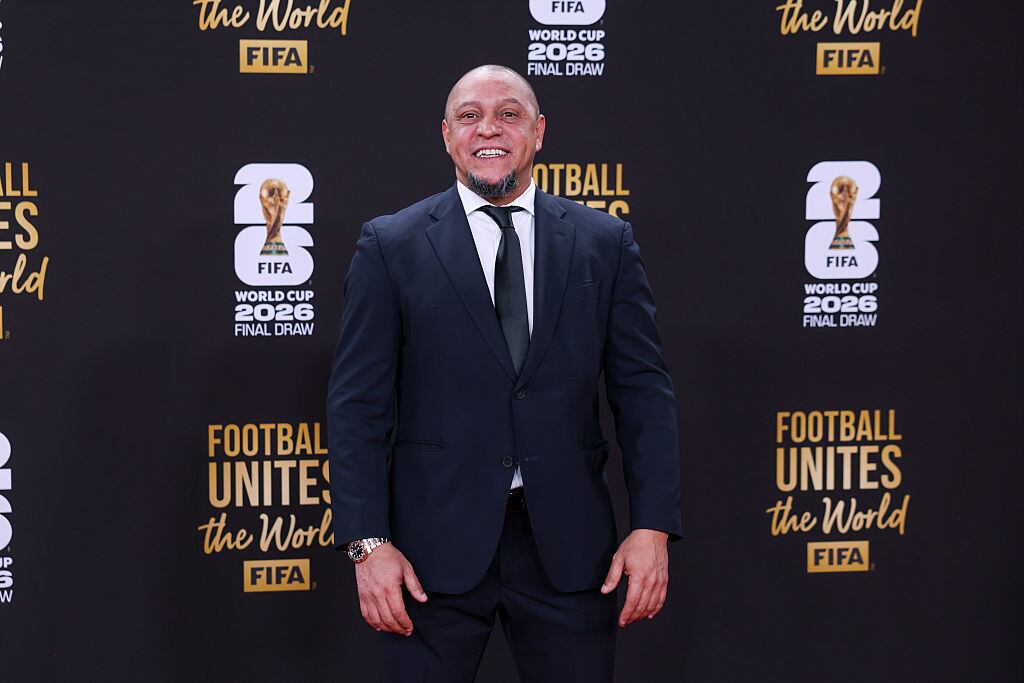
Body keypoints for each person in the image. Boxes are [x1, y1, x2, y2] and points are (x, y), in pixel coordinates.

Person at [327, 64, 682, 683]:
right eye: (470, 116)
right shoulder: (391, 245)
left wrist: (652, 526)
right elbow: (357, 408)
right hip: (427, 553)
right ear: (446, 135)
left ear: (539, 132)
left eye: (508, 114)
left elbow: (644, 394)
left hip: (569, 550)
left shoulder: (604, 242)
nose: (488, 129)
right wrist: (367, 543)